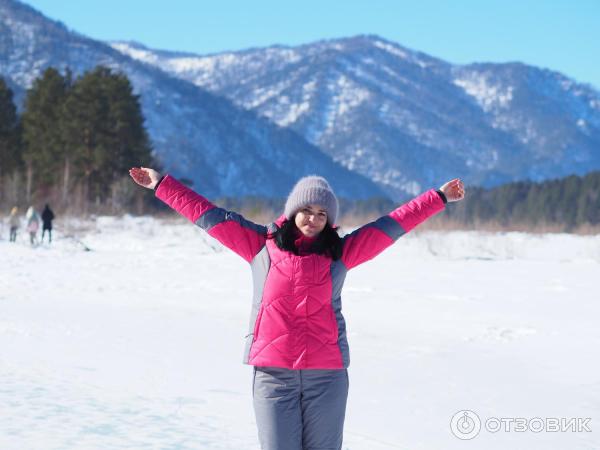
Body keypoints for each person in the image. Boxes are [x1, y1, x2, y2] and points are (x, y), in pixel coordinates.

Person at [130, 166, 465, 450]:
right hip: (274, 377)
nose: (314, 219)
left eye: (322, 214)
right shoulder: (259, 246)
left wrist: (438, 198)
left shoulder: (341, 253)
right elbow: (208, 215)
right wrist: (162, 185)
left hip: (327, 378)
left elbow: (391, 224)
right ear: (293, 212)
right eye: (308, 210)